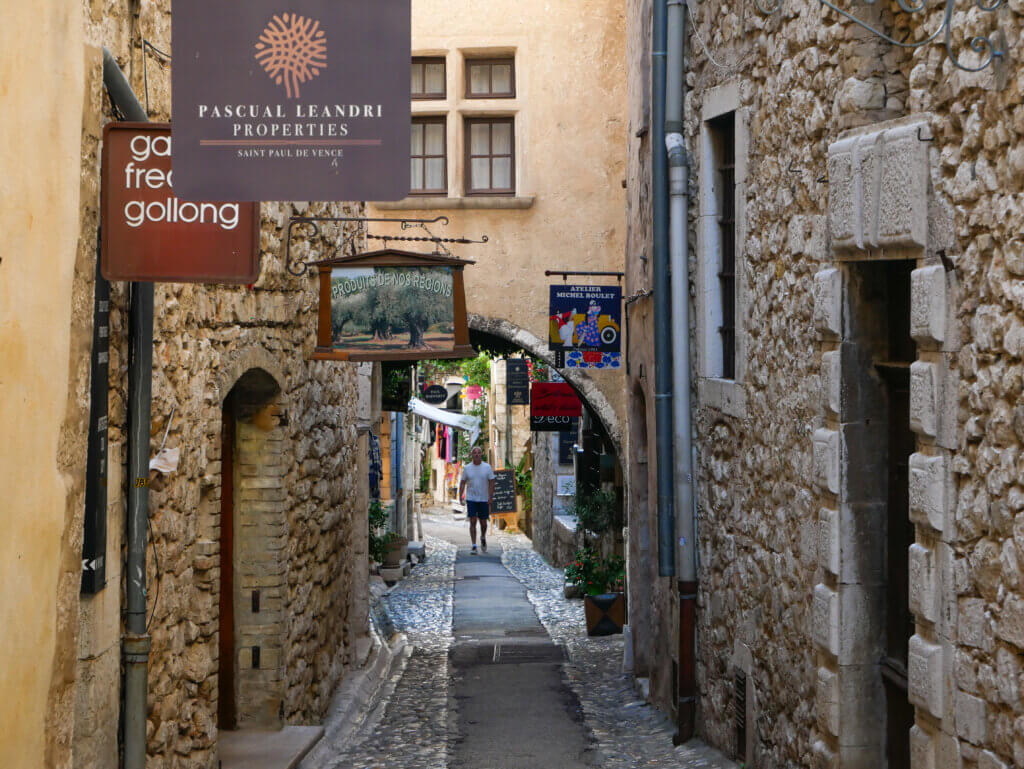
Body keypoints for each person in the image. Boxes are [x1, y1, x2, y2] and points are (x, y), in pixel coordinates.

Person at [459, 446, 496, 554]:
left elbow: (492, 481)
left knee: (483, 523)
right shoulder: (467, 468)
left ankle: (483, 537)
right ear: (472, 455)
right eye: (474, 453)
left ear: (481, 455)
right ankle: (474, 545)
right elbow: (462, 482)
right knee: (473, 521)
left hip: (483, 498)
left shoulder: (487, 467)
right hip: (471, 498)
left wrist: (490, 496)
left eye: (478, 453)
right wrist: (460, 496)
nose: (476, 454)